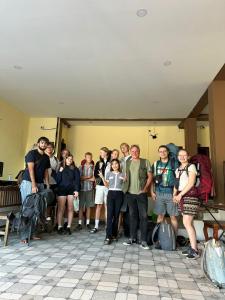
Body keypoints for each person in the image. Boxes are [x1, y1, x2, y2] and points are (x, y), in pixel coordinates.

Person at [20, 136, 50, 242]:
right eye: (42, 143)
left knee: (38, 210)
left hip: (40, 184)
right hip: (29, 182)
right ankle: (24, 236)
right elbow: (31, 169)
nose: (43, 145)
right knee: (28, 209)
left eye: (45, 143)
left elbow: (46, 172)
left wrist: (47, 185)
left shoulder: (46, 157)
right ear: (38, 144)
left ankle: (32, 234)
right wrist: (33, 185)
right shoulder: (31, 154)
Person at [123, 145, 152, 249]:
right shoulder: (127, 162)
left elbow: (150, 177)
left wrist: (145, 189)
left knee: (143, 216)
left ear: (139, 151)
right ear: (130, 152)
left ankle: (143, 241)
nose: (134, 153)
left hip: (141, 194)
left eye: (136, 151)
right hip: (130, 194)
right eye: (133, 151)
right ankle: (132, 238)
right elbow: (125, 175)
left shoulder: (145, 162)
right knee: (132, 216)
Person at [173, 149, 200, 259]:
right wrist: (174, 194)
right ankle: (193, 247)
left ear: (188, 156)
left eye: (184, 155)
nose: (182, 157)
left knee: (187, 222)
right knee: (189, 223)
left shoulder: (191, 167)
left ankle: (194, 250)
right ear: (178, 157)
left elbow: (191, 183)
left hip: (190, 196)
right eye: (180, 155)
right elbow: (176, 183)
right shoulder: (178, 169)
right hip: (181, 197)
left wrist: (180, 195)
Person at [151, 145, 179, 236]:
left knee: (173, 217)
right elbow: (152, 179)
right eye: (160, 151)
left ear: (168, 152)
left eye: (164, 151)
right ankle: (159, 237)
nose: (162, 153)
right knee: (160, 216)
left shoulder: (174, 163)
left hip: (171, 193)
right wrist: (152, 192)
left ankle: (174, 237)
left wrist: (175, 194)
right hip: (159, 192)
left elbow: (177, 179)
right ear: (158, 153)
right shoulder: (155, 164)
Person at [99, 159, 125, 245]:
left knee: (116, 215)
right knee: (109, 215)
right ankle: (108, 236)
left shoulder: (123, 174)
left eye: (116, 164)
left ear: (119, 165)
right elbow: (107, 185)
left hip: (119, 194)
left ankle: (114, 234)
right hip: (110, 194)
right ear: (111, 166)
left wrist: (125, 180)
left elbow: (125, 185)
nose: (114, 165)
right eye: (113, 164)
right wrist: (102, 177)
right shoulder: (108, 174)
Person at [56, 155, 80, 235]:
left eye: (71, 159)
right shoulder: (61, 167)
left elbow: (77, 180)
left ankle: (68, 227)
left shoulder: (75, 169)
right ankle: (59, 226)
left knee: (70, 208)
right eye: (68, 158)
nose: (70, 160)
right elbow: (58, 180)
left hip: (71, 190)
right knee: (61, 208)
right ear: (65, 159)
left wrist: (76, 190)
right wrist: (60, 171)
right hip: (62, 189)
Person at [90, 147, 110, 233]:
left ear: (106, 153)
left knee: (107, 206)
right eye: (100, 152)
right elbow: (95, 174)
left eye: (102, 152)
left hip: (108, 186)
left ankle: (107, 226)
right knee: (98, 206)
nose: (101, 154)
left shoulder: (111, 162)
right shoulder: (98, 163)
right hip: (100, 186)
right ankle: (96, 226)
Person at [77, 152, 95, 230]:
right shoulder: (81, 167)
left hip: (90, 189)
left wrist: (85, 178)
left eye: (90, 157)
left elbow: (94, 179)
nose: (89, 159)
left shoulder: (93, 167)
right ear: (85, 158)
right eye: (87, 157)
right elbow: (79, 178)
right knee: (81, 207)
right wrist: (88, 177)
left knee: (88, 207)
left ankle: (88, 223)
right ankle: (79, 223)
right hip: (81, 189)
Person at [119, 143, 132, 237]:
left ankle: (130, 231)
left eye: (124, 146)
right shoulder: (120, 160)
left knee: (130, 210)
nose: (123, 148)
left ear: (128, 148)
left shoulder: (132, 158)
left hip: (131, 187)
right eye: (121, 147)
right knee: (122, 209)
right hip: (122, 187)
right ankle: (122, 229)